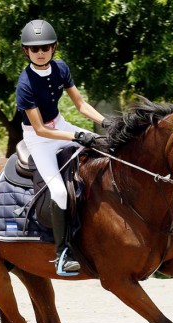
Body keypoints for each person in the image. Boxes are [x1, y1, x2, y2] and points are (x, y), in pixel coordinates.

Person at [16, 19, 107, 273]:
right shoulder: (24, 84)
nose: (41, 52)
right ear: (27, 51)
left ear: (54, 47)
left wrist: (104, 121)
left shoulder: (61, 68)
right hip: (39, 138)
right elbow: (41, 129)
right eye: (35, 49)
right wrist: (76, 137)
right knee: (58, 191)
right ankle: (62, 253)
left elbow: (80, 104)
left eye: (46, 47)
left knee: (104, 147)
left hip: (61, 124)